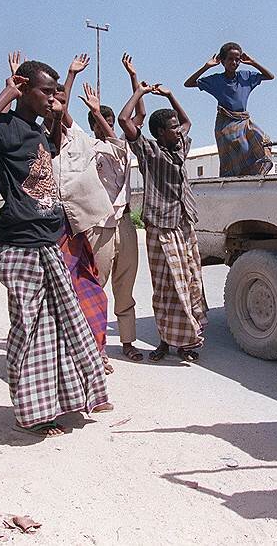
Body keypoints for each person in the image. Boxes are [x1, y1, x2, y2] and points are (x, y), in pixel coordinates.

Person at [0, 60, 111, 438]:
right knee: (29, 328)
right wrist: (8, 92)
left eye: (56, 91)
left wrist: (59, 110)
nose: (53, 98)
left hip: (49, 239)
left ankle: (58, 403)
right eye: (46, 92)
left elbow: (58, 145)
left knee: (61, 328)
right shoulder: (4, 128)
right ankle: (29, 412)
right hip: (21, 243)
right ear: (24, 89)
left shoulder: (38, 133)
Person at [118, 81, 208, 362]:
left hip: (183, 224)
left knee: (190, 282)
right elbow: (124, 120)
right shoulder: (149, 152)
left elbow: (187, 121)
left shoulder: (179, 150)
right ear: (159, 133)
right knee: (166, 287)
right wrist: (140, 92)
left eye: (177, 128)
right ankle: (164, 343)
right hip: (161, 228)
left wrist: (170, 95)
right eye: (173, 128)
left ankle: (186, 343)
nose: (179, 131)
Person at [46, 54, 116, 374]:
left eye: (63, 101)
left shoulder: (83, 139)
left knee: (92, 293)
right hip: (59, 230)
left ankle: (97, 350)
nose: (59, 106)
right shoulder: (46, 141)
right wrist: (70, 76)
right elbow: (56, 116)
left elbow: (62, 111)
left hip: (87, 226)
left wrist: (95, 111)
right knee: (64, 296)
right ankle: (71, 356)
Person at [83, 52, 144, 362]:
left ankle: (129, 341)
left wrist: (135, 81)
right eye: (100, 121)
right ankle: (95, 348)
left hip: (125, 223)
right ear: (93, 125)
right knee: (97, 286)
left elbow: (139, 116)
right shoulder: (87, 147)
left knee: (126, 283)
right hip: (100, 225)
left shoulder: (123, 146)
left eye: (108, 121)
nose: (106, 126)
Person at [184, 42, 274, 176]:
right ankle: (234, 176)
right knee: (241, 147)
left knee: (262, 141)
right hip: (226, 123)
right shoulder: (217, 80)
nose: (234, 62)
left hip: (243, 120)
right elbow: (188, 83)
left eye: (237, 59)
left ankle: (254, 175)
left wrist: (253, 62)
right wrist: (206, 67)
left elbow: (270, 76)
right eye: (230, 59)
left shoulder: (246, 76)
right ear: (223, 61)